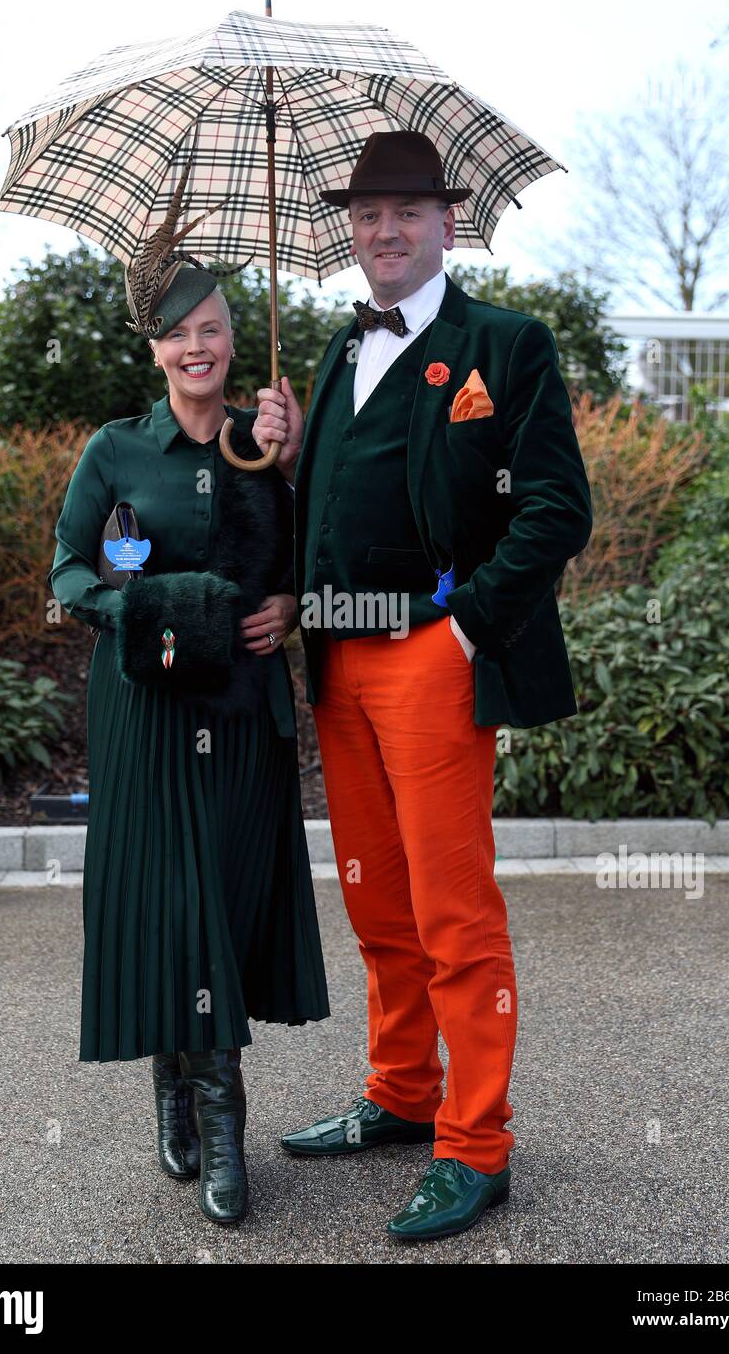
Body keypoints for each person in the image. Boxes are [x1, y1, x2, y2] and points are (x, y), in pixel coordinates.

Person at [254, 130, 593, 1241]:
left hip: (433, 662)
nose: (384, 230)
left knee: (453, 912)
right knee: (376, 901)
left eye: (405, 211)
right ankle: (402, 1093)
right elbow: (351, 495)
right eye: (365, 215)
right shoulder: (338, 349)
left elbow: (554, 509)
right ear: (347, 232)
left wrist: (464, 633)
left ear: (446, 221)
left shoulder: (505, 343)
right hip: (339, 661)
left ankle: (476, 1143)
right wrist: (289, 455)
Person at [47, 217, 330, 1227]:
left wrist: (290, 596)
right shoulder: (117, 450)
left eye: (209, 324)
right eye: (177, 334)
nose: (197, 346)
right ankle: (213, 1115)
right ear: (154, 348)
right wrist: (157, 607)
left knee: (215, 898)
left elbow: (302, 569)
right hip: (147, 712)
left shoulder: (265, 446)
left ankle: (187, 1087)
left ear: (228, 332)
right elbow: (71, 573)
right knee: (176, 905)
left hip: (245, 715)